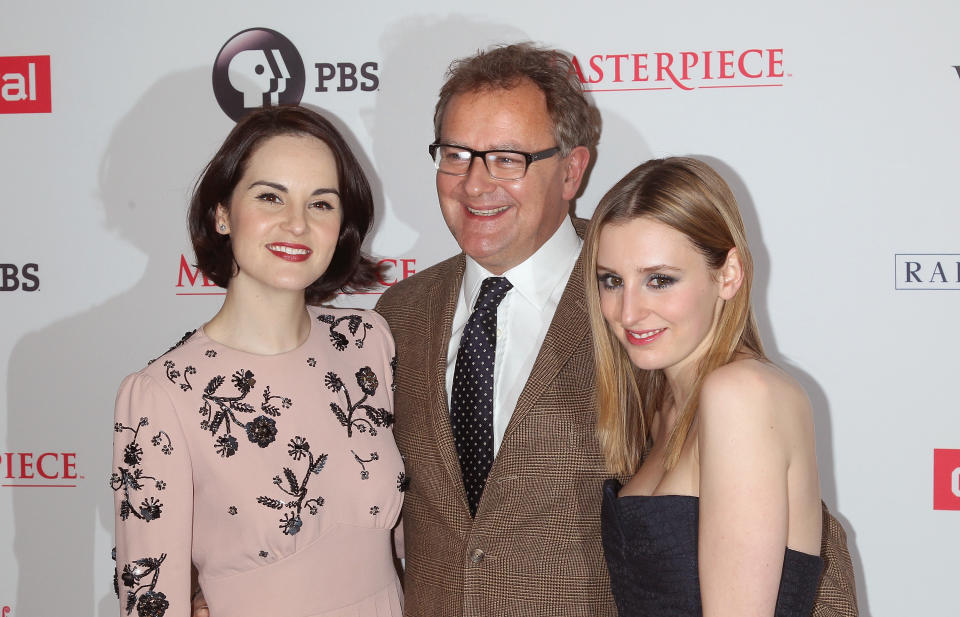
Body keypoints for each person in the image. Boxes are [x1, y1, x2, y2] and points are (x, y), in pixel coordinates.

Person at [374, 44, 858, 617]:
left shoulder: (657, 334)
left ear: (573, 169)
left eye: (508, 158)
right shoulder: (397, 314)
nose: (477, 183)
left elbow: (802, 555)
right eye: (456, 154)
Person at [112, 105, 404, 617]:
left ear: (342, 225)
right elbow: (148, 599)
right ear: (222, 213)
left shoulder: (366, 341)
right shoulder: (161, 394)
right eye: (271, 196)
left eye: (321, 204)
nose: (296, 224)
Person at [587, 157, 829, 617]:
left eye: (660, 280)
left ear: (728, 274)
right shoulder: (662, 405)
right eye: (612, 281)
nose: (628, 312)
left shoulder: (741, 394)